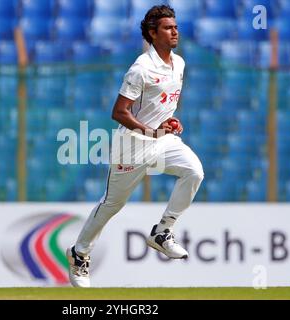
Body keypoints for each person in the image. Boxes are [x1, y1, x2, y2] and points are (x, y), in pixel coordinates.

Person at [66, 5, 204, 287]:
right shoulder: (141, 68)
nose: (175, 31)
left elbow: (160, 105)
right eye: (168, 28)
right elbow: (119, 112)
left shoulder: (179, 64)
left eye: (175, 26)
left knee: (194, 172)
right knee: (112, 205)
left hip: (161, 141)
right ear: (153, 34)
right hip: (132, 146)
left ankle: (162, 233)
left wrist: (169, 122)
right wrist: (150, 131)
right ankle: (79, 254)